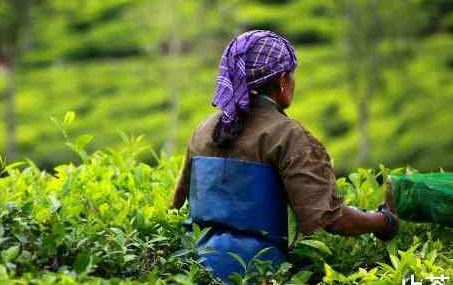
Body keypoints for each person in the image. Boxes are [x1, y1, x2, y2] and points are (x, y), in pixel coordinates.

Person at [170, 30, 398, 281]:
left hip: (193, 271)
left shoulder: (204, 129)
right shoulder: (287, 135)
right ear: (281, 81)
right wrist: (384, 221)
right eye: (291, 76)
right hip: (259, 273)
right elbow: (334, 220)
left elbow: (177, 202)